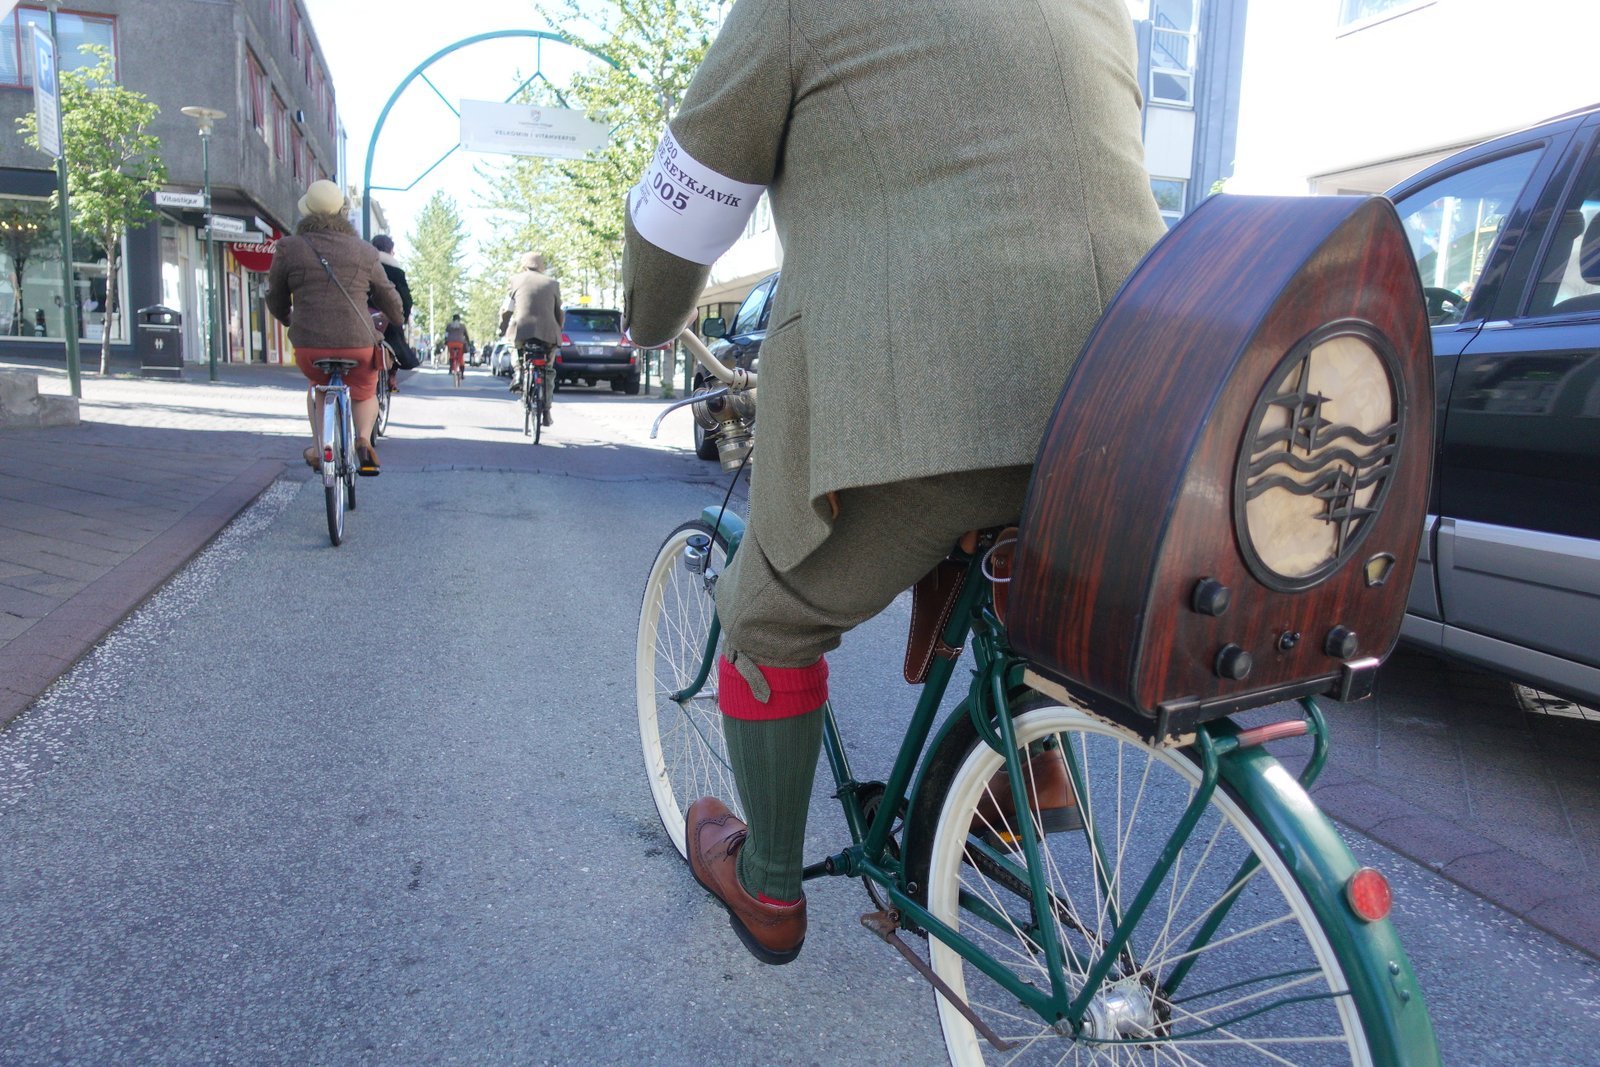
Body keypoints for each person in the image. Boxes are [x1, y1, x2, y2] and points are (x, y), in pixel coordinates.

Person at [621, 0, 1166, 965]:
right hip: (1127, 390)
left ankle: (768, 886)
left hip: (926, 387)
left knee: (768, 617)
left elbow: (685, 202)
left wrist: (651, 318)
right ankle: (1025, 763)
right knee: (1020, 552)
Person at [267, 179, 404, 476]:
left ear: (307, 211)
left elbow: (275, 295)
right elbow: (388, 294)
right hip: (358, 343)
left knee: (318, 385)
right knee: (365, 389)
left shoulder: (289, 248)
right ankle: (363, 440)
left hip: (309, 345)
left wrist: (287, 317)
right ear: (342, 212)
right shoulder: (364, 251)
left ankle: (319, 449)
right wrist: (397, 317)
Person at [499, 252, 564, 426]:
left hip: (522, 330)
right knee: (548, 370)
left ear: (524, 265)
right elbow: (559, 312)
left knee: (513, 346)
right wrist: (558, 330)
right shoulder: (553, 283)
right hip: (548, 333)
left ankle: (518, 372)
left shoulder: (515, 280)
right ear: (541, 266)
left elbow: (507, 310)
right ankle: (546, 411)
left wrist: (502, 328)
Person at [370, 234, 413, 392]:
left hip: (365, 316)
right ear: (390, 251)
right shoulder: (396, 270)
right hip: (388, 316)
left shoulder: (365, 263)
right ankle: (392, 375)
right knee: (395, 340)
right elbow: (405, 299)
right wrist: (404, 317)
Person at [442, 313, 471, 380]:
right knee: (460, 358)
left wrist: (446, 341)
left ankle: (450, 369)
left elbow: (446, 335)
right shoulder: (462, 326)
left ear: (453, 319)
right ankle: (462, 374)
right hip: (460, 344)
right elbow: (466, 335)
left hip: (451, 343)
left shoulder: (449, 326)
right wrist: (468, 342)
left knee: (451, 356)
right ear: (459, 319)